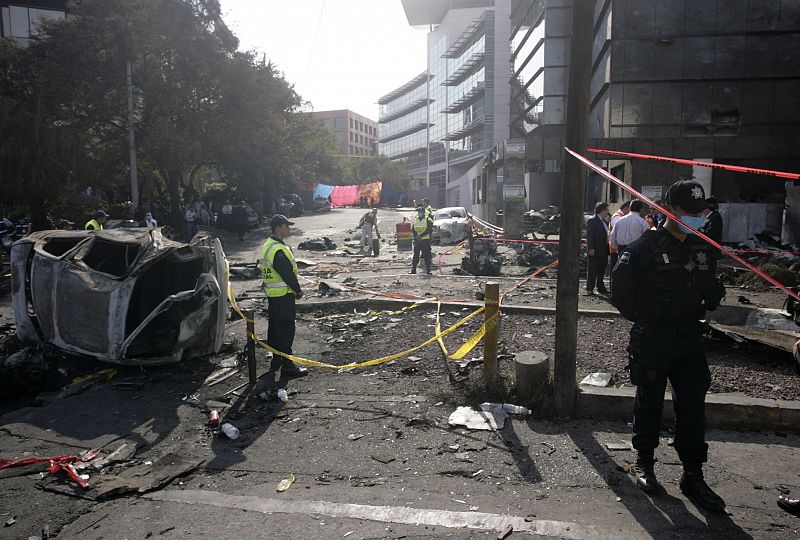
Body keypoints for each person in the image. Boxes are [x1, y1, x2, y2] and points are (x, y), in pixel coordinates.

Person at [611, 179, 727, 512]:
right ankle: (645, 463)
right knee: (649, 402)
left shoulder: (702, 246)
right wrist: (647, 318)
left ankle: (693, 474)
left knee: (693, 407)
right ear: (669, 209)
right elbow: (620, 292)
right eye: (688, 212)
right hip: (655, 338)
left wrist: (712, 294)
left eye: (698, 212)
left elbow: (708, 288)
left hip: (690, 338)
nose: (694, 218)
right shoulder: (645, 247)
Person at [257, 214, 307, 378]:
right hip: (283, 295)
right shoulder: (278, 249)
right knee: (286, 330)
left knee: (275, 329)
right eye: (286, 226)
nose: (289, 229)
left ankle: (276, 360)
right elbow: (286, 273)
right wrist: (298, 290)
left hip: (273, 295)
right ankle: (287, 366)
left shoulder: (268, 245)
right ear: (278, 228)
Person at [586, 202, 610, 295]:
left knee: (601, 269)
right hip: (596, 249)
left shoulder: (604, 221)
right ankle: (590, 288)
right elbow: (590, 236)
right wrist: (591, 248)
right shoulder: (593, 220)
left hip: (604, 249)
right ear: (602, 210)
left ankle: (600, 287)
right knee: (593, 269)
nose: (607, 212)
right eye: (607, 210)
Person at [699, 197, 723, 275]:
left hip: (711, 251)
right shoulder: (710, 217)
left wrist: (698, 232)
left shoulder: (715, 217)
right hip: (707, 250)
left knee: (710, 272)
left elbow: (710, 233)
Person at [608, 201, 631, 273]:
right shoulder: (617, 217)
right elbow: (618, 233)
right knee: (615, 269)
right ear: (626, 209)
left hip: (619, 247)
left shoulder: (621, 216)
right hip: (616, 248)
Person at [411, 205, 433, 274]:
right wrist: (416, 236)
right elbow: (413, 229)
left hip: (425, 240)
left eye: (420, 211)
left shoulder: (428, 220)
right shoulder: (416, 219)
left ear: (423, 212)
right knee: (416, 255)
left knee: (426, 255)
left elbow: (429, 230)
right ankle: (413, 270)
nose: (419, 213)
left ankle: (428, 271)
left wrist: (420, 236)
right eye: (418, 212)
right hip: (418, 240)